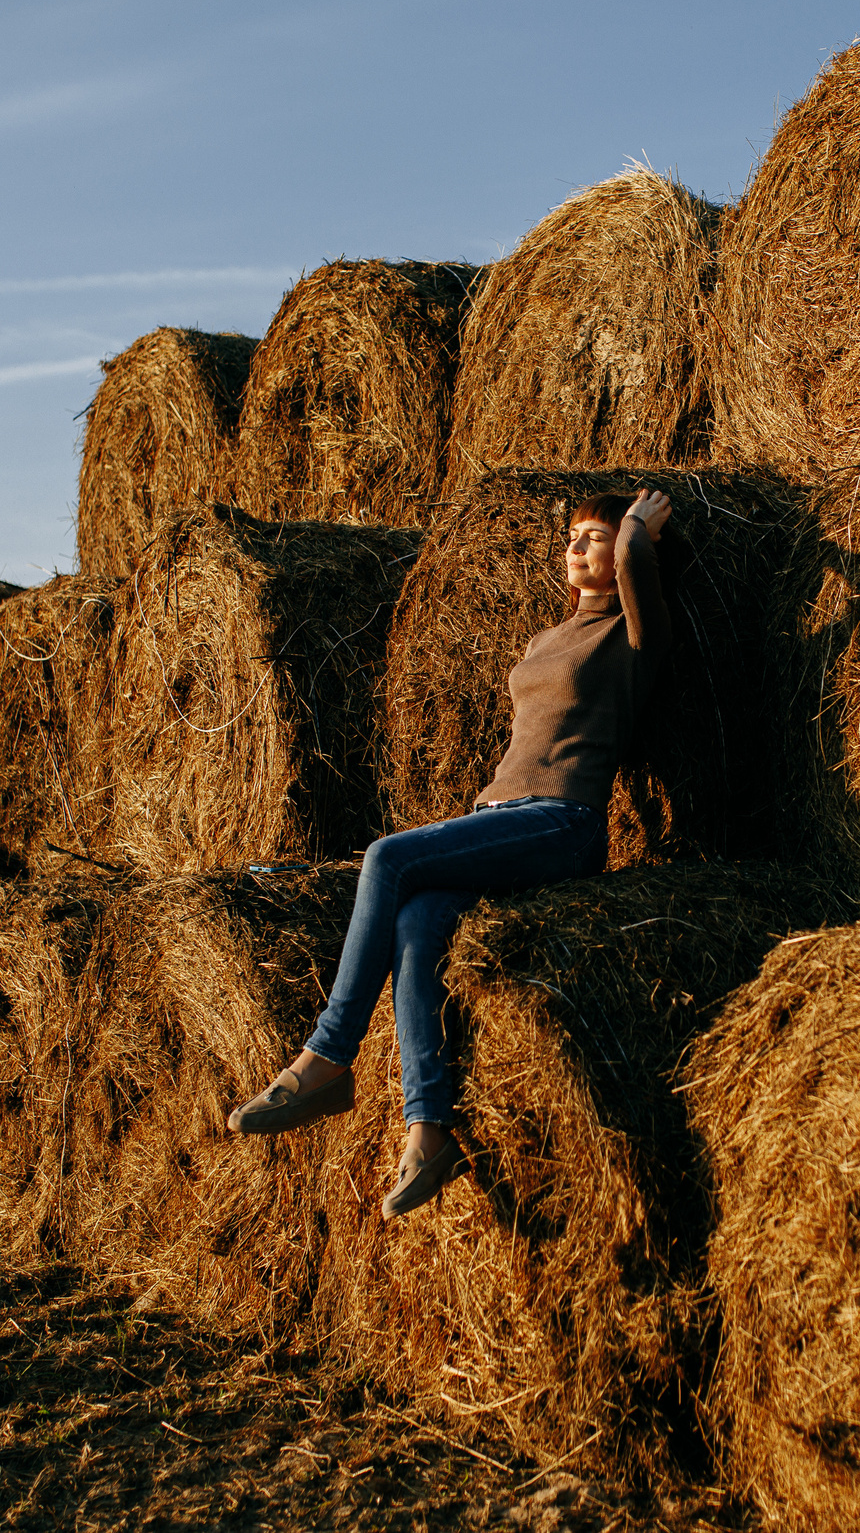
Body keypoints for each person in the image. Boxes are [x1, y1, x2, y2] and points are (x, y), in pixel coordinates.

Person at [226, 486, 676, 1219]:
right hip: (499, 814)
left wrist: (633, 527)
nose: (580, 547)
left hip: (563, 821)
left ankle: (327, 1056)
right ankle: (428, 1128)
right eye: (572, 537)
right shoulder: (545, 641)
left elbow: (630, 557)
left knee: (387, 859)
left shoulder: (635, 634)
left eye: (595, 537)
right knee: (419, 918)